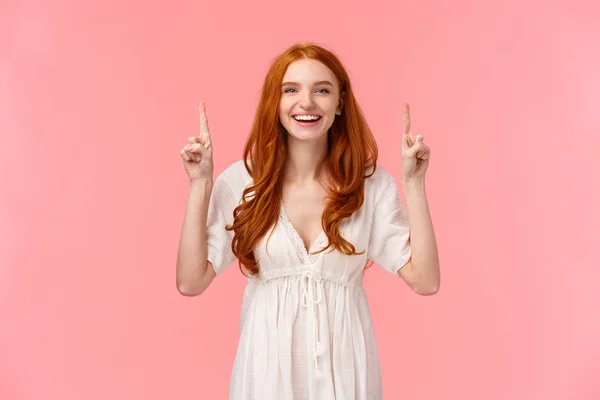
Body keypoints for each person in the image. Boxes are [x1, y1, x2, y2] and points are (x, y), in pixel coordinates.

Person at [176, 43, 440, 400]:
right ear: (275, 101)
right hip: (265, 376)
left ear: (340, 104)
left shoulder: (370, 185)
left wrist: (414, 184)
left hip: (346, 376)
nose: (307, 102)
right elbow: (191, 281)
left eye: (322, 90)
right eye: (291, 90)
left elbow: (425, 280)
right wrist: (200, 185)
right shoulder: (241, 182)